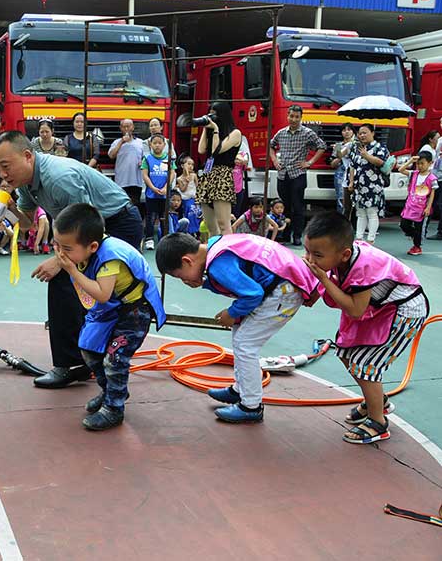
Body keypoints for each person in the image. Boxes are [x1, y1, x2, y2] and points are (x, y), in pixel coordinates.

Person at [0, 131, 144, 388]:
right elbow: (29, 224)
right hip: (90, 229)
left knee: (96, 289)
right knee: (73, 286)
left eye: (5, 166)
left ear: (27, 156)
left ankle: (76, 364)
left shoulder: (59, 178)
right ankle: (85, 358)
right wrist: (10, 209)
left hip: (116, 224)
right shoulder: (27, 182)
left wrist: (59, 261)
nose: (2, 175)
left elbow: (87, 227)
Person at [155, 232, 318, 423]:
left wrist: (231, 313)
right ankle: (241, 389)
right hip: (282, 284)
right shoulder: (218, 245)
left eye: (179, 275)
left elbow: (251, 294)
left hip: (284, 292)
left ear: (187, 261)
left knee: (245, 344)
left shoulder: (217, 265)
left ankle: (251, 406)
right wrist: (206, 284)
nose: (183, 280)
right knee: (240, 334)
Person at [302, 212, 428, 444]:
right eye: (307, 251)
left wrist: (323, 281)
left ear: (344, 254)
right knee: (345, 352)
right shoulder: (339, 258)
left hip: (405, 312)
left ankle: (378, 422)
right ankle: (377, 399)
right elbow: (334, 278)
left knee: (365, 365)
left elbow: (355, 310)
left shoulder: (362, 267)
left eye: (317, 255)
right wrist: (315, 291)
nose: (310, 259)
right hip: (380, 309)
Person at [52, 203, 166, 430]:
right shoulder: (84, 250)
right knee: (89, 349)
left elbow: (102, 295)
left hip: (135, 310)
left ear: (93, 246)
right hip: (113, 308)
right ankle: (111, 392)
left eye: (66, 248)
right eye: (57, 245)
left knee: (115, 358)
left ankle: (114, 408)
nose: (60, 253)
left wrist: (72, 271)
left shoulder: (110, 258)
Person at [269, 105, 327, 245]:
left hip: (298, 174)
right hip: (283, 174)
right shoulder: (281, 133)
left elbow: (322, 146)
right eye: (291, 116)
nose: (293, 119)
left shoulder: (307, 133)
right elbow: (271, 145)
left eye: (297, 117)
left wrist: (310, 162)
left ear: (301, 118)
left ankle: (297, 235)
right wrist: (275, 161)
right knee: (284, 206)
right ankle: (285, 234)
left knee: (298, 206)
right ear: (287, 116)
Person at [196, 101, 242, 238]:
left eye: (215, 114)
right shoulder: (211, 132)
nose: (212, 117)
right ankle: (213, 253)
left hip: (222, 176)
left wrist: (215, 129)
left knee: (223, 224)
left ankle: (228, 253)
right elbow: (201, 149)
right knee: (210, 225)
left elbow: (217, 150)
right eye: (210, 113)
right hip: (207, 174)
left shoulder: (235, 133)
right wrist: (206, 129)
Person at [346, 123, 389, 244]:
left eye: (365, 132)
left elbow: (381, 162)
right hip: (359, 185)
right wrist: (351, 181)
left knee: (371, 212)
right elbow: (352, 166)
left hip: (373, 185)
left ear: (373, 133)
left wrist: (366, 155)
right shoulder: (356, 148)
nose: (362, 135)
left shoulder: (379, 147)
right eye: (360, 133)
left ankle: (371, 239)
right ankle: (359, 238)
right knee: (360, 212)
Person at [397, 150, 437, 256]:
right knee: (403, 224)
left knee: (419, 227)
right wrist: (410, 161)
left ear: (430, 163)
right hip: (410, 206)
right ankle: (414, 235)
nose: (419, 166)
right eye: (418, 163)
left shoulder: (432, 178)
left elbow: (432, 194)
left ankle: (417, 247)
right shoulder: (414, 174)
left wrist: (428, 207)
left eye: (422, 163)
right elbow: (401, 169)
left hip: (422, 208)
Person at [141, 133, 175, 250]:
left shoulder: (168, 158)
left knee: (164, 217)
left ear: (164, 144)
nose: (157, 145)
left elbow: (172, 173)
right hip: (151, 195)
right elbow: (145, 175)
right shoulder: (147, 159)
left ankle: (164, 240)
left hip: (165, 195)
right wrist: (152, 187)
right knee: (150, 217)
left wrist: (166, 187)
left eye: (159, 143)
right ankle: (149, 239)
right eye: (154, 143)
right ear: (150, 144)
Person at [108, 118, 146, 222]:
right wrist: (121, 141)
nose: (126, 128)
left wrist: (142, 162)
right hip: (121, 180)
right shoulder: (116, 142)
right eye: (123, 126)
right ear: (120, 128)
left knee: (136, 205)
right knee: (121, 204)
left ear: (133, 127)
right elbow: (111, 155)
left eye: (128, 126)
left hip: (136, 180)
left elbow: (146, 158)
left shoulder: (141, 143)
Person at [329, 123, 356, 216]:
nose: (347, 132)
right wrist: (339, 155)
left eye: (349, 130)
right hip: (341, 174)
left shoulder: (356, 144)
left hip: (355, 173)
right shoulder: (338, 145)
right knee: (341, 199)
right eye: (344, 130)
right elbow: (332, 164)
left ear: (353, 132)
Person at [175, 154, 197, 219]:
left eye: (192, 164)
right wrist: (187, 182)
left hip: (193, 197)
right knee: (188, 208)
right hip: (185, 198)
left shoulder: (194, 175)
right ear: (182, 166)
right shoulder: (179, 179)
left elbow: (197, 186)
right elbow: (183, 190)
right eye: (189, 164)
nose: (191, 166)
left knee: (195, 211)